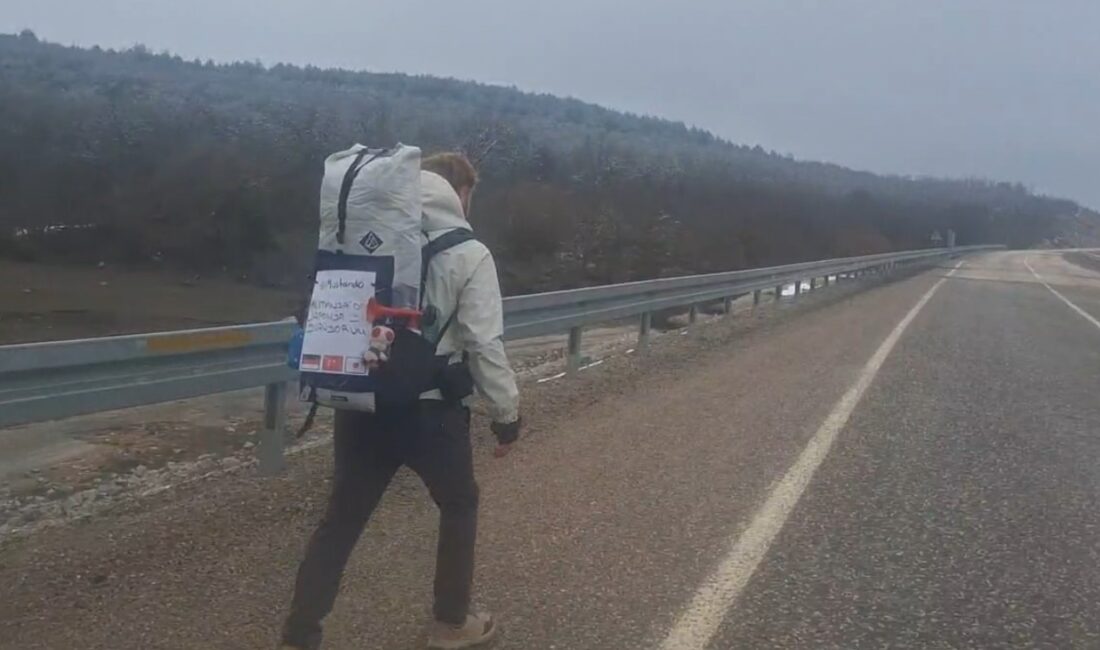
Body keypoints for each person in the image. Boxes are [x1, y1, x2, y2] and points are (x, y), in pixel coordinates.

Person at [280, 152, 522, 650]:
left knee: (342, 519)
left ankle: (299, 635)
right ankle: (450, 624)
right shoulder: (470, 251)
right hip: (431, 411)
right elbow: (483, 343)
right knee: (459, 504)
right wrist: (507, 416)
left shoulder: (367, 235)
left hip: (363, 400)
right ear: (462, 191)